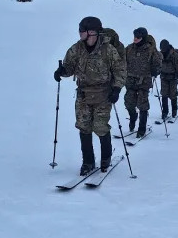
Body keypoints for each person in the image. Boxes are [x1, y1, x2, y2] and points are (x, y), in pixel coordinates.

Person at [54, 16, 126, 175]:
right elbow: (69, 68)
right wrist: (61, 72)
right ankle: (88, 162)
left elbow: (120, 70)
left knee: (100, 127)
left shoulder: (108, 50)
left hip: (103, 95)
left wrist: (117, 89)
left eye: (83, 32)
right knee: (84, 127)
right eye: (80, 32)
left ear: (92, 33)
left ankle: (106, 157)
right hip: (83, 95)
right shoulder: (76, 49)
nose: (80, 35)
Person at [125, 27, 162, 137]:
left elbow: (158, 62)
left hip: (144, 81)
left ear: (143, 37)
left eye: (138, 37)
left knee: (142, 104)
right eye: (134, 36)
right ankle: (133, 117)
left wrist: (156, 70)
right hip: (130, 80)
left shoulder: (151, 50)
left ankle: (142, 128)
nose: (135, 39)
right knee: (129, 102)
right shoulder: (129, 48)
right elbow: (122, 61)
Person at [159, 39, 178, 119]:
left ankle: (174, 110)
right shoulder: (160, 55)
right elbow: (157, 64)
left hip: (173, 77)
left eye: (163, 48)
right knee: (164, 94)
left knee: (173, 94)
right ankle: (165, 112)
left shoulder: (174, 55)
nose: (162, 49)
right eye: (161, 48)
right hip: (163, 76)